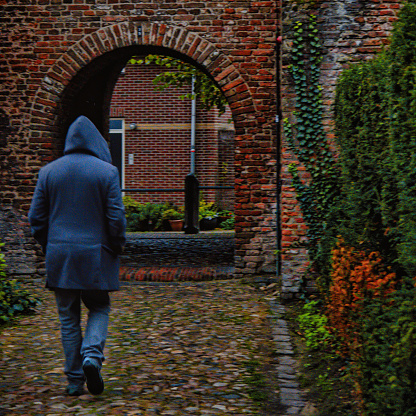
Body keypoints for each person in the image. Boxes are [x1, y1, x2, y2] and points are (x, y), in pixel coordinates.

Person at [28, 115, 126, 396]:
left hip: (60, 256)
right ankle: (92, 357)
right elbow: (116, 218)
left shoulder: (49, 172)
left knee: (67, 317)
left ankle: (74, 381)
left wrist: (50, 245)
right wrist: (116, 246)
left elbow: (36, 218)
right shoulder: (106, 172)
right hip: (96, 255)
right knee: (99, 306)